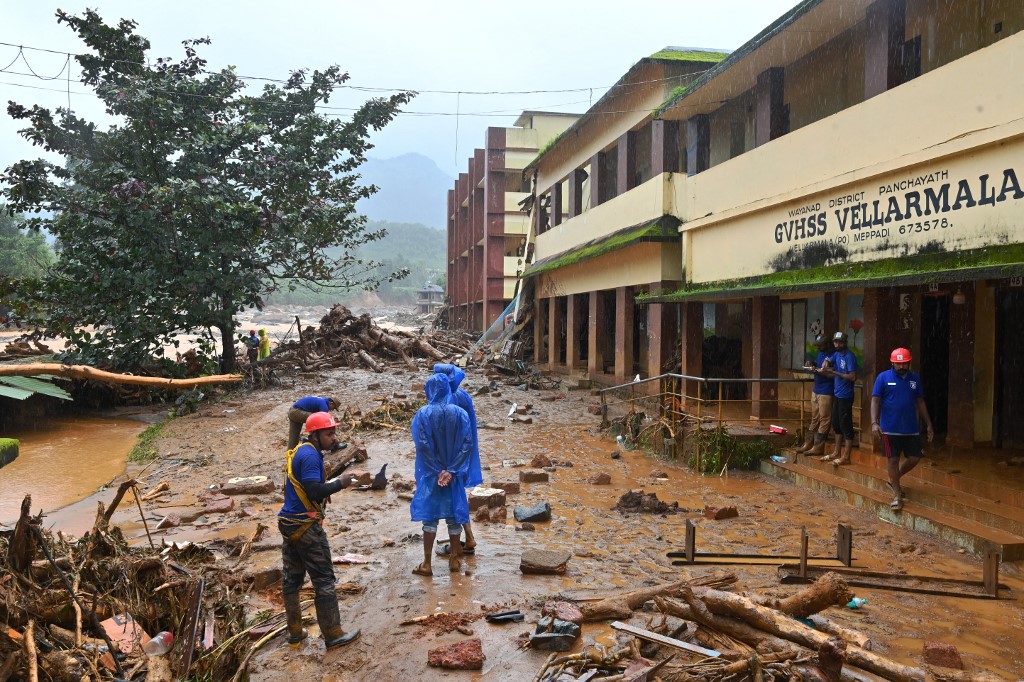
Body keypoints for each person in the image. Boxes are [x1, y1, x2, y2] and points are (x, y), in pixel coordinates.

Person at [278, 411, 360, 649]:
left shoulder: (299, 452)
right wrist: (340, 483)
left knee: (291, 580)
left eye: (334, 433)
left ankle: (295, 632)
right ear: (314, 435)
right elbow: (314, 491)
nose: (334, 438)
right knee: (323, 578)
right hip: (305, 527)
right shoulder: (311, 457)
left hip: (289, 523)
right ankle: (333, 633)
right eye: (329, 433)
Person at [409, 374, 473, 577]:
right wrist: (451, 470)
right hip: (453, 476)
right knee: (455, 517)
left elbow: (422, 445)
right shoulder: (460, 414)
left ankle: (427, 563)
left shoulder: (422, 414)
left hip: (431, 474)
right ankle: (454, 560)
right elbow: (467, 444)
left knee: (429, 519)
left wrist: (438, 470)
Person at [871, 347, 934, 511]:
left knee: (915, 457)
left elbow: (920, 402)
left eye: (904, 364)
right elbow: (875, 401)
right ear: (892, 362)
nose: (901, 367)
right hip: (889, 429)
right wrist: (874, 423)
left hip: (910, 428)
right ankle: (897, 494)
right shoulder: (883, 378)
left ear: (909, 362)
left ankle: (894, 479)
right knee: (892, 459)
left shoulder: (915, 379)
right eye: (898, 364)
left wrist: (928, 424)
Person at [433, 363, 483, 557]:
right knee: (458, 493)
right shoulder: (462, 395)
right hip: (463, 453)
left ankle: (463, 542)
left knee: (454, 497)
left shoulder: (447, 399)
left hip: (450, 457)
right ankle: (467, 537)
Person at [820, 331, 857, 466]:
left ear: (845, 343)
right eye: (835, 341)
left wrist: (834, 372)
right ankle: (836, 452)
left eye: (840, 342)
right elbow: (831, 358)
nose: (837, 344)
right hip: (837, 393)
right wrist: (826, 361)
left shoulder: (849, 356)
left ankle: (846, 456)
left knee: (845, 424)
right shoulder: (837, 354)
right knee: (836, 423)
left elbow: (852, 377)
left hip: (846, 395)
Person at [798, 334, 833, 456]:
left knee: (824, 418)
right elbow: (818, 365)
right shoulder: (821, 354)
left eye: (821, 345)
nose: (818, 347)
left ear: (827, 344)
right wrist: (812, 363)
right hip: (816, 389)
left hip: (826, 391)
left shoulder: (833, 356)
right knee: (815, 418)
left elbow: (832, 374)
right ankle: (808, 443)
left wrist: (819, 371)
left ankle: (818, 446)